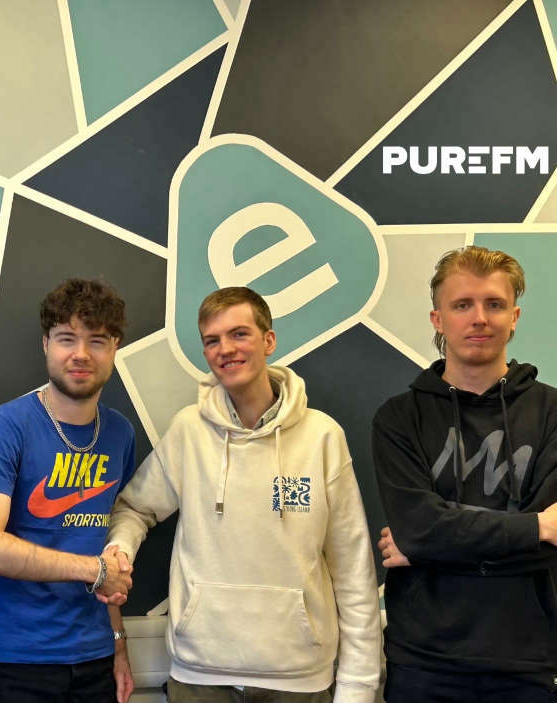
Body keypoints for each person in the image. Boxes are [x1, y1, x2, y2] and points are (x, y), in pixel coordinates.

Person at [106, 286, 381, 703]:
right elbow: (134, 508)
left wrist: (358, 687)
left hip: (299, 680)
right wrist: (120, 549)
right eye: (212, 340)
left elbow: (353, 568)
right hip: (199, 676)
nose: (226, 349)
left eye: (239, 334)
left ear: (268, 340)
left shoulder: (322, 436)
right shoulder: (189, 431)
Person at [373, 246, 557, 702]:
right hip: (422, 663)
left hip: (529, 663)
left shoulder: (553, 413)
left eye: (494, 304)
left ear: (514, 317)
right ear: (438, 319)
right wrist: (536, 527)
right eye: (462, 305)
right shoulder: (399, 418)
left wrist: (429, 548)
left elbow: (424, 538)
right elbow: (419, 529)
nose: (479, 318)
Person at [0, 278, 137, 703]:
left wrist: (118, 643)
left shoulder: (120, 433)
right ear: (46, 344)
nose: (81, 354)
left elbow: (107, 551)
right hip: (15, 663)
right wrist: (92, 570)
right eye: (66, 339)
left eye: (97, 340)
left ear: (115, 347)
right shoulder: (7, 427)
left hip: (96, 659)